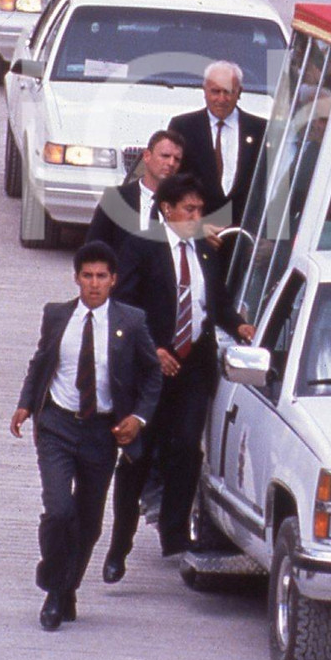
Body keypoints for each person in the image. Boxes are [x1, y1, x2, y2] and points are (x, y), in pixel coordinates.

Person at [102, 175, 254, 576]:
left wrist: (239, 325)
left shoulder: (204, 249)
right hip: (152, 369)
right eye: (189, 209)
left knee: (187, 446)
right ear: (167, 209)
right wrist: (152, 349)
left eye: (200, 210)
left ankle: (174, 536)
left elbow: (215, 300)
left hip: (193, 365)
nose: (196, 216)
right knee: (139, 454)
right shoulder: (141, 246)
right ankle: (120, 545)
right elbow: (122, 306)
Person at [10, 241, 162, 629]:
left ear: (113, 280)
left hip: (102, 431)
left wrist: (139, 418)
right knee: (60, 510)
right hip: (57, 425)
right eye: (87, 276)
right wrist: (26, 403)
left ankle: (65, 590)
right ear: (76, 278)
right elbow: (41, 360)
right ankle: (54, 587)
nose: (93, 284)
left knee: (90, 520)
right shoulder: (57, 315)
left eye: (101, 277)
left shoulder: (131, 322)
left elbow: (152, 376)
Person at [169, 60, 267, 229]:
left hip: (243, 237)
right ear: (204, 91)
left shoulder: (261, 129)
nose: (221, 99)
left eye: (228, 92)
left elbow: (267, 186)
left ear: (239, 92)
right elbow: (173, 184)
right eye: (215, 92)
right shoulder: (182, 127)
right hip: (198, 234)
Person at [85, 128, 185, 256]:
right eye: (165, 156)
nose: (171, 163)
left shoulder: (183, 205)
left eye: (177, 159)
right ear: (147, 156)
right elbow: (93, 248)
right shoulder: (116, 200)